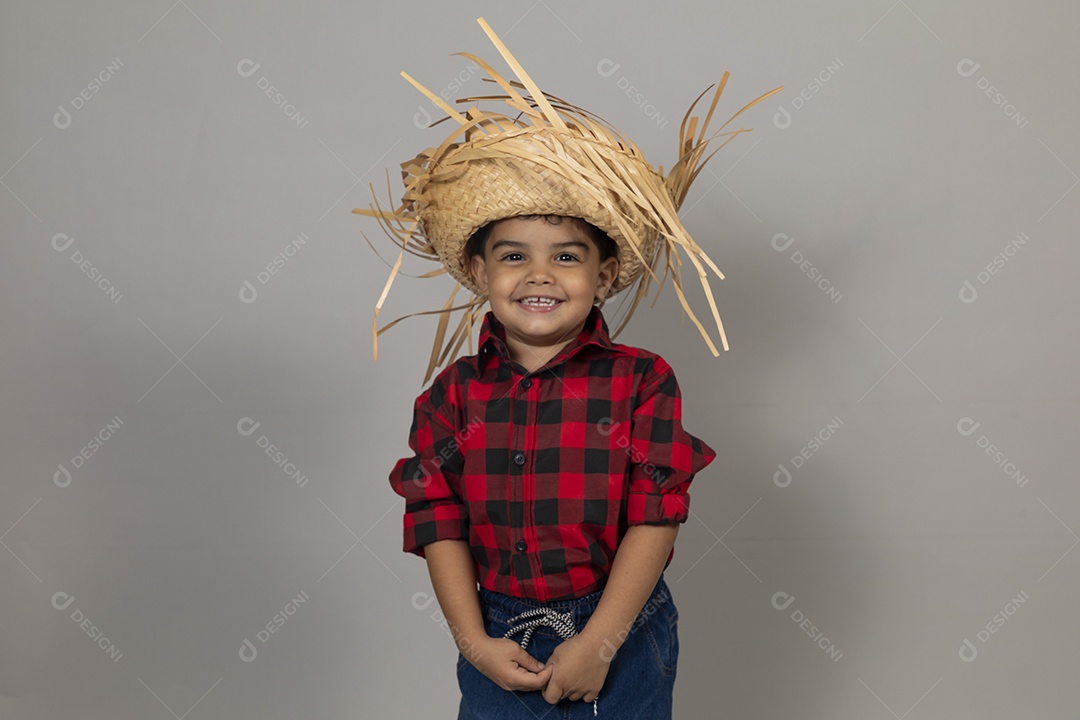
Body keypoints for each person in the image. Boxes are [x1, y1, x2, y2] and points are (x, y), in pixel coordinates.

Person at [354, 16, 780, 719]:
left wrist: (601, 643)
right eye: (514, 254)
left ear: (605, 274)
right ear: (478, 269)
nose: (539, 274)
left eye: (567, 255)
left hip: (619, 628)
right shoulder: (451, 398)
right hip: (496, 630)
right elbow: (438, 523)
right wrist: (473, 640)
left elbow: (655, 516)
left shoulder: (641, 381)